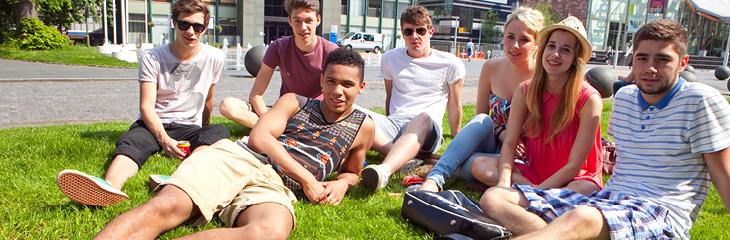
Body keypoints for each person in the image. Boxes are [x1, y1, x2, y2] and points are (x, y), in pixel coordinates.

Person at [479, 19, 730, 239]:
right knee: (494, 198)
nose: (650, 68)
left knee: (582, 218)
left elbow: (723, 174)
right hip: (608, 200)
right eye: (642, 58)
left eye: (662, 59)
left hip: (658, 211)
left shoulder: (700, 100)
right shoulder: (626, 98)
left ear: (683, 63)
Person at [94, 48, 376, 240]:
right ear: (321, 81)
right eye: (331, 81)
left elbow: (351, 171)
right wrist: (307, 180)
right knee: (166, 207)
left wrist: (342, 184)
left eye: (348, 85)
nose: (338, 91)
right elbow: (260, 138)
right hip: (240, 158)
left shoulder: (363, 127)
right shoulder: (296, 102)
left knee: (270, 232)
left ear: (361, 87)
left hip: (275, 187)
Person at [56, 0, 230, 207]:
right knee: (131, 143)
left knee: (218, 132)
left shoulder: (215, 57)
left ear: (204, 28)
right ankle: (109, 188)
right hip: (153, 122)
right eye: (184, 25)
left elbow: (208, 99)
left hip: (188, 127)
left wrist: (203, 130)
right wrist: (164, 140)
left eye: (198, 27)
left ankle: (178, 179)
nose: (191, 32)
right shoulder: (152, 57)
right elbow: (146, 106)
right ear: (174, 24)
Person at [467, 16, 604, 196]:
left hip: (575, 179)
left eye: (565, 50)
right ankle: (539, 195)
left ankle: (530, 195)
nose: (555, 54)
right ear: (543, 49)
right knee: (479, 165)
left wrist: (537, 192)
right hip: (535, 174)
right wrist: (503, 182)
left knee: (585, 189)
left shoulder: (589, 99)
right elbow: (509, 143)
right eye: (551, 46)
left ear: (575, 58)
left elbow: (574, 166)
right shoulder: (525, 90)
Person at [418, 7, 545, 192]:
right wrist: (502, 133)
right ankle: (435, 179)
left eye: (524, 39)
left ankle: (446, 163)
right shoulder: (491, 67)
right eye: (510, 37)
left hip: (522, 154)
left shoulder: (542, 77)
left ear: (535, 44)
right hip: (492, 141)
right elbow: (481, 119)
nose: (515, 45)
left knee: (469, 163)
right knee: (482, 121)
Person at [359, 5, 466, 192]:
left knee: (422, 117)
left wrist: (457, 141)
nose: (415, 36)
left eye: (420, 30)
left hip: (427, 128)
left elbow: (455, 105)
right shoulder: (389, 58)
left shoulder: (451, 63)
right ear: (402, 34)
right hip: (395, 123)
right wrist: (388, 124)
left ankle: (384, 170)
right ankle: (408, 157)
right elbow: (390, 97)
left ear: (430, 32)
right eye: (409, 31)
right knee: (353, 110)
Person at [218, 0, 339, 128]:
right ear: (290, 21)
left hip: (317, 114)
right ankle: (281, 128)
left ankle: (285, 129)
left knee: (357, 113)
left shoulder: (332, 51)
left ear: (318, 20)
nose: (303, 27)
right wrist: (268, 119)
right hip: (285, 111)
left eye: (308, 20)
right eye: (297, 20)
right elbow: (256, 94)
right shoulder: (278, 47)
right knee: (227, 105)